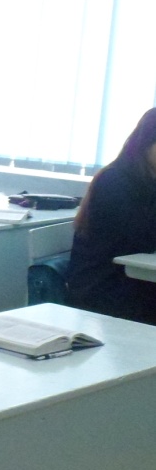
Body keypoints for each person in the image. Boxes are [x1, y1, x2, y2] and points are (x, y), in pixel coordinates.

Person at [66, 108, 156, 324]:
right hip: (104, 287)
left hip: (135, 282)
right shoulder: (115, 181)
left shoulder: (148, 180)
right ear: (147, 143)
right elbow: (143, 239)